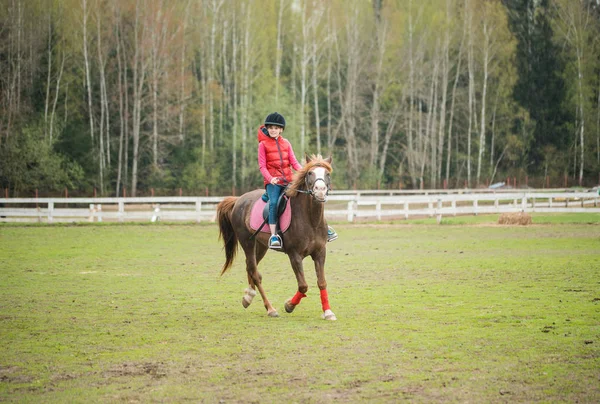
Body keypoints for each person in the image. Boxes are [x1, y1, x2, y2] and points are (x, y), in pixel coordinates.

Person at [257, 112, 338, 249]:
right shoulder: (263, 145)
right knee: (275, 203)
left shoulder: (286, 143)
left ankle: (324, 227)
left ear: (281, 129)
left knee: (310, 198)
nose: (273, 130)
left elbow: (294, 162)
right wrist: (271, 179)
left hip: (289, 180)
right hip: (273, 183)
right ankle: (274, 235)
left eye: (276, 128)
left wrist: (306, 172)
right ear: (267, 129)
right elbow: (262, 166)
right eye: (270, 127)